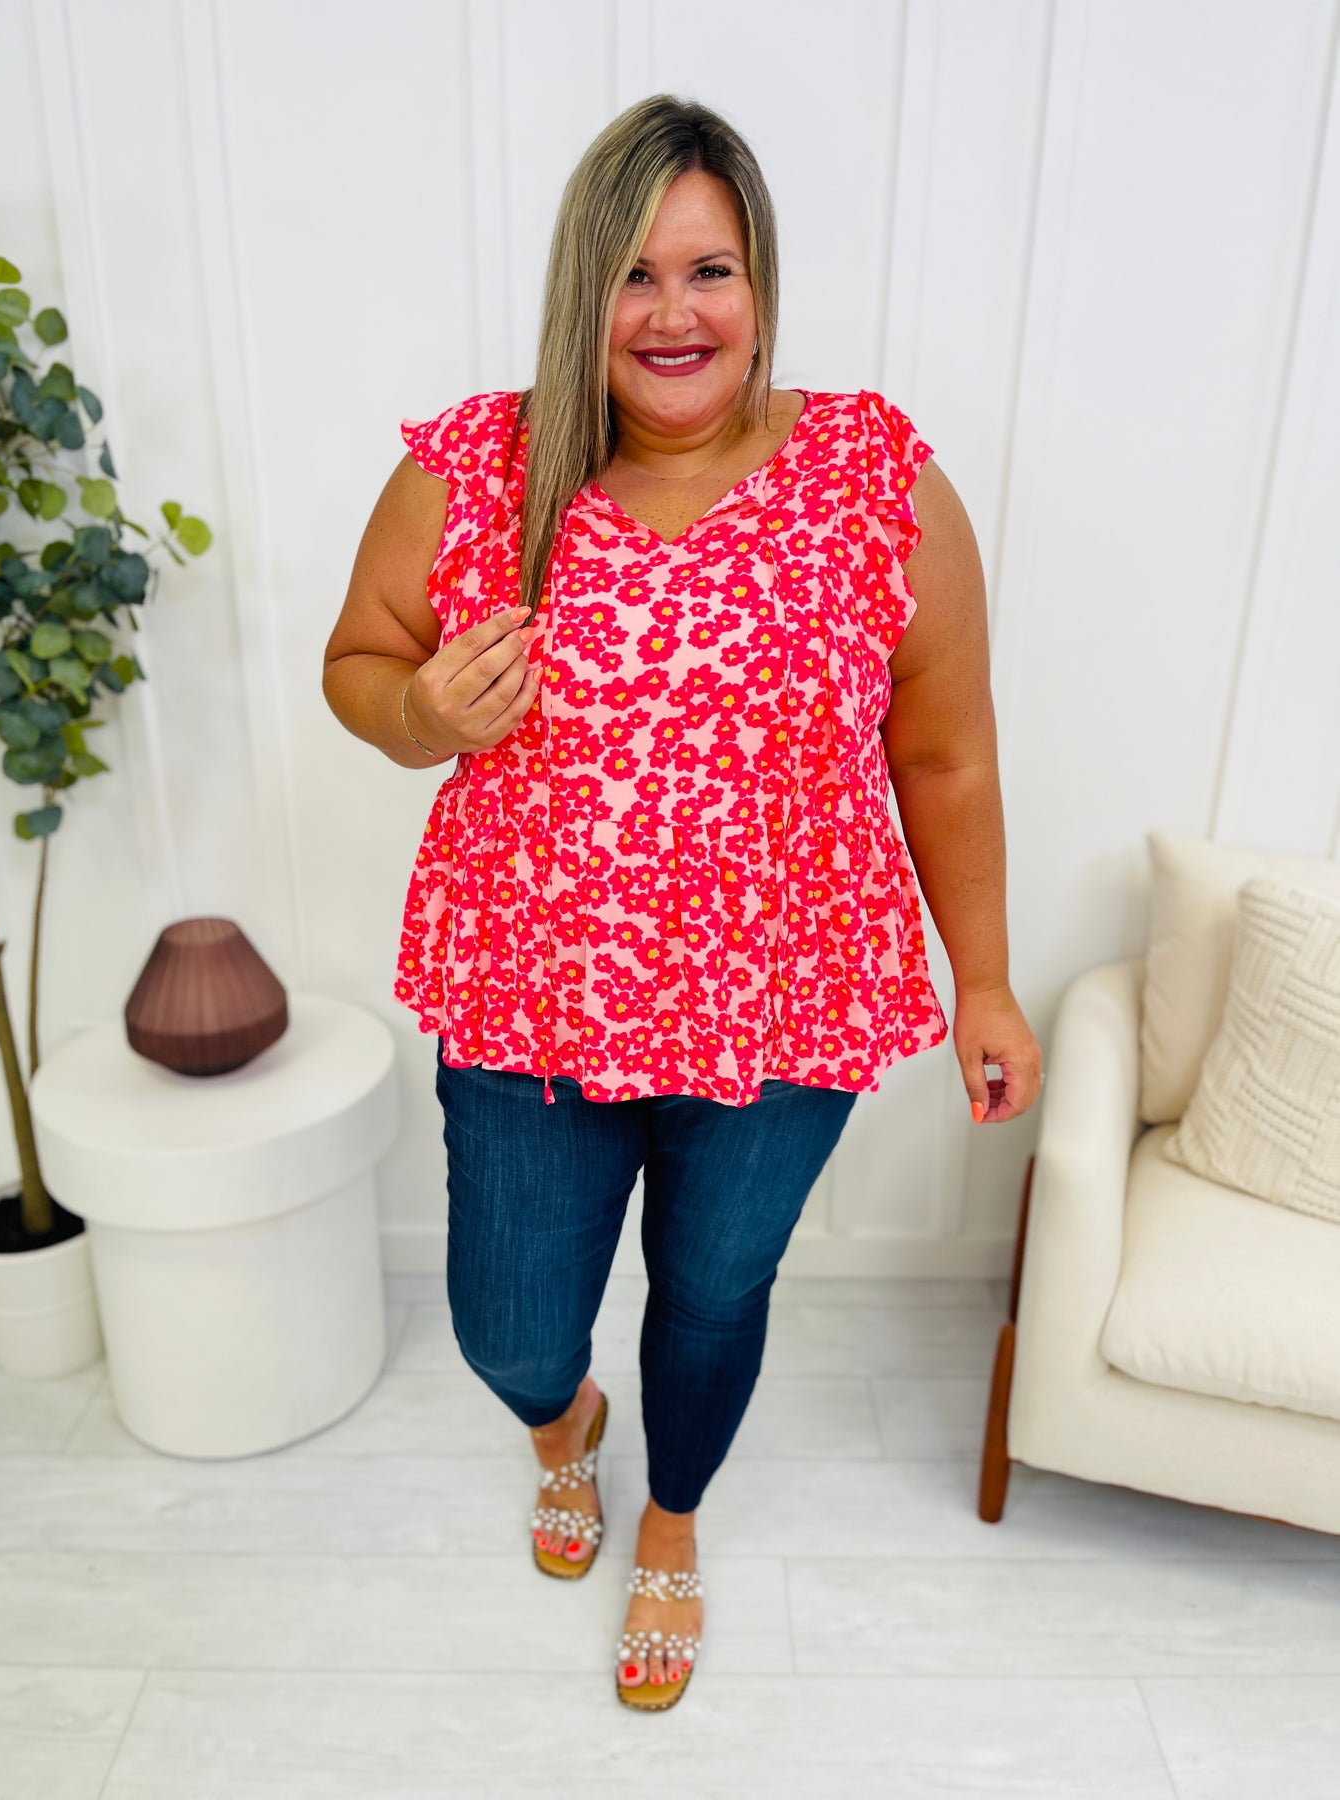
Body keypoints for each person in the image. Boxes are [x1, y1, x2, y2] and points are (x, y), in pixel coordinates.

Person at [322, 93, 1042, 1713]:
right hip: (531, 1001)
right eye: (634, 275)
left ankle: (669, 1521)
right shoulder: (475, 469)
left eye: (708, 270)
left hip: (785, 1008)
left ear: (759, 285)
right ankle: (563, 1426)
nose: (672, 313)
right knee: (507, 1329)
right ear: (583, 290)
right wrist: (421, 714)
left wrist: (985, 981)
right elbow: (357, 661)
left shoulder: (875, 482)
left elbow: (943, 756)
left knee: (713, 1297)